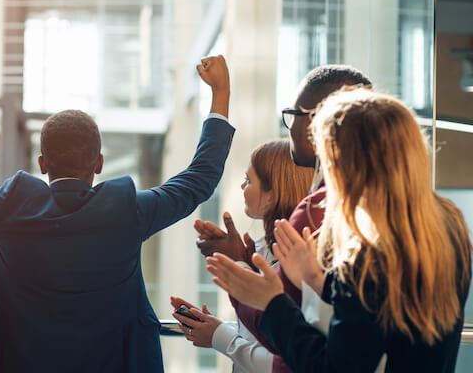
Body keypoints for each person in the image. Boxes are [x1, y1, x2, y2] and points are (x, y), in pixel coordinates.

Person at [0, 52, 234, 372]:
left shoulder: (6, 207)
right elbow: (198, 181)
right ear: (100, 163)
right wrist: (220, 93)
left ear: (41, 164)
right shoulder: (129, 212)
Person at [206, 87, 472, 372]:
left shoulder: (369, 253)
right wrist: (318, 281)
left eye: (327, 160)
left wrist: (272, 303)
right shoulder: (448, 224)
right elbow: (384, 315)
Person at [195, 65, 371, 373]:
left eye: (294, 114)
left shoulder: (318, 212)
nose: (290, 127)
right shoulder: (370, 208)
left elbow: (282, 339)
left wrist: (237, 270)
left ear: (318, 122)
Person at [171, 140, 313, 372]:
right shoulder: (261, 250)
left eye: (249, 180)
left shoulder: (295, 263)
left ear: (272, 194)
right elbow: (263, 332)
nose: (241, 186)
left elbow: (281, 361)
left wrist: (219, 335)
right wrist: (213, 327)